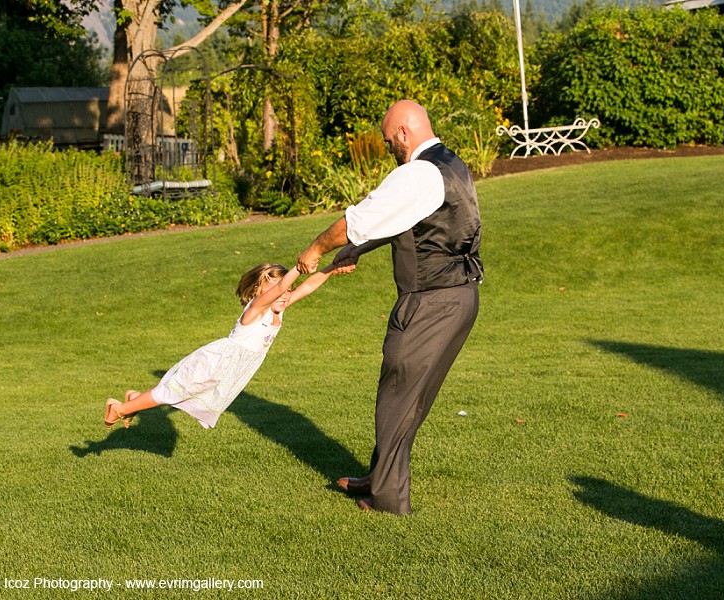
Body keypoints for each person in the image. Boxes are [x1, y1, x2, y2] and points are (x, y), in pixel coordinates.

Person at [297, 99, 483, 514]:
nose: (388, 150)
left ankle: (386, 499)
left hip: (430, 301)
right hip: (460, 297)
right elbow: (411, 219)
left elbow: (356, 219)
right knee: (407, 397)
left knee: (398, 395)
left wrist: (315, 251)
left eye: (388, 141)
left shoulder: (418, 172)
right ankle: (381, 476)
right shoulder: (449, 162)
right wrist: (358, 251)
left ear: (403, 132)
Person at [103, 261, 352, 430]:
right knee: (173, 392)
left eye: (288, 292)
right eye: (279, 291)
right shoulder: (256, 309)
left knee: (180, 395)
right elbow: (281, 288)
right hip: (215, 362)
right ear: (259, 291)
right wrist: (299, 266)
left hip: (231, 370)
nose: (285, 295)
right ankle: (120, 408)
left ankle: (135, 399)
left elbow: (308, 285)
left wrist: (333, 267)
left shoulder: (280, 307)